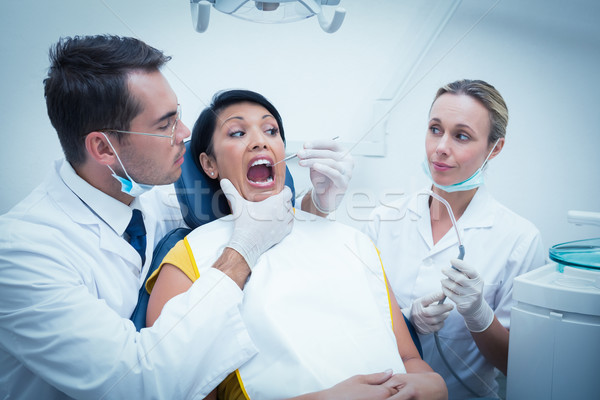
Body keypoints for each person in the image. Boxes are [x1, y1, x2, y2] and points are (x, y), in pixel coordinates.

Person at [0, 35, 349, 399]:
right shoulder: (20, 254)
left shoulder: (149, 199)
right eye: (165, 125)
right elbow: (136, 385)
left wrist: (319, 205)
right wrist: (242, 250)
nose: (184, 134)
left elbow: (265, 220)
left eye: (178, 115)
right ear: (103, 148)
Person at [146, 89, 448, 400]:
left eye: (271, 130)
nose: (260, 141)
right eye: (237, 132)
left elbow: (410, 359)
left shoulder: (354, 243)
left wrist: (434, 384)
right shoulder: (188, 260)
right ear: (210, 164)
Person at [363, 79, 547, 399]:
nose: (441, 147)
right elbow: (356, 321)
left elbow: (519, 366)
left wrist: (479, 315)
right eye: (435, 129)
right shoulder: (383, 220)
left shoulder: (520, 238)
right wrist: (407, 320)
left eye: (461, 136)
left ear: (495, 148)